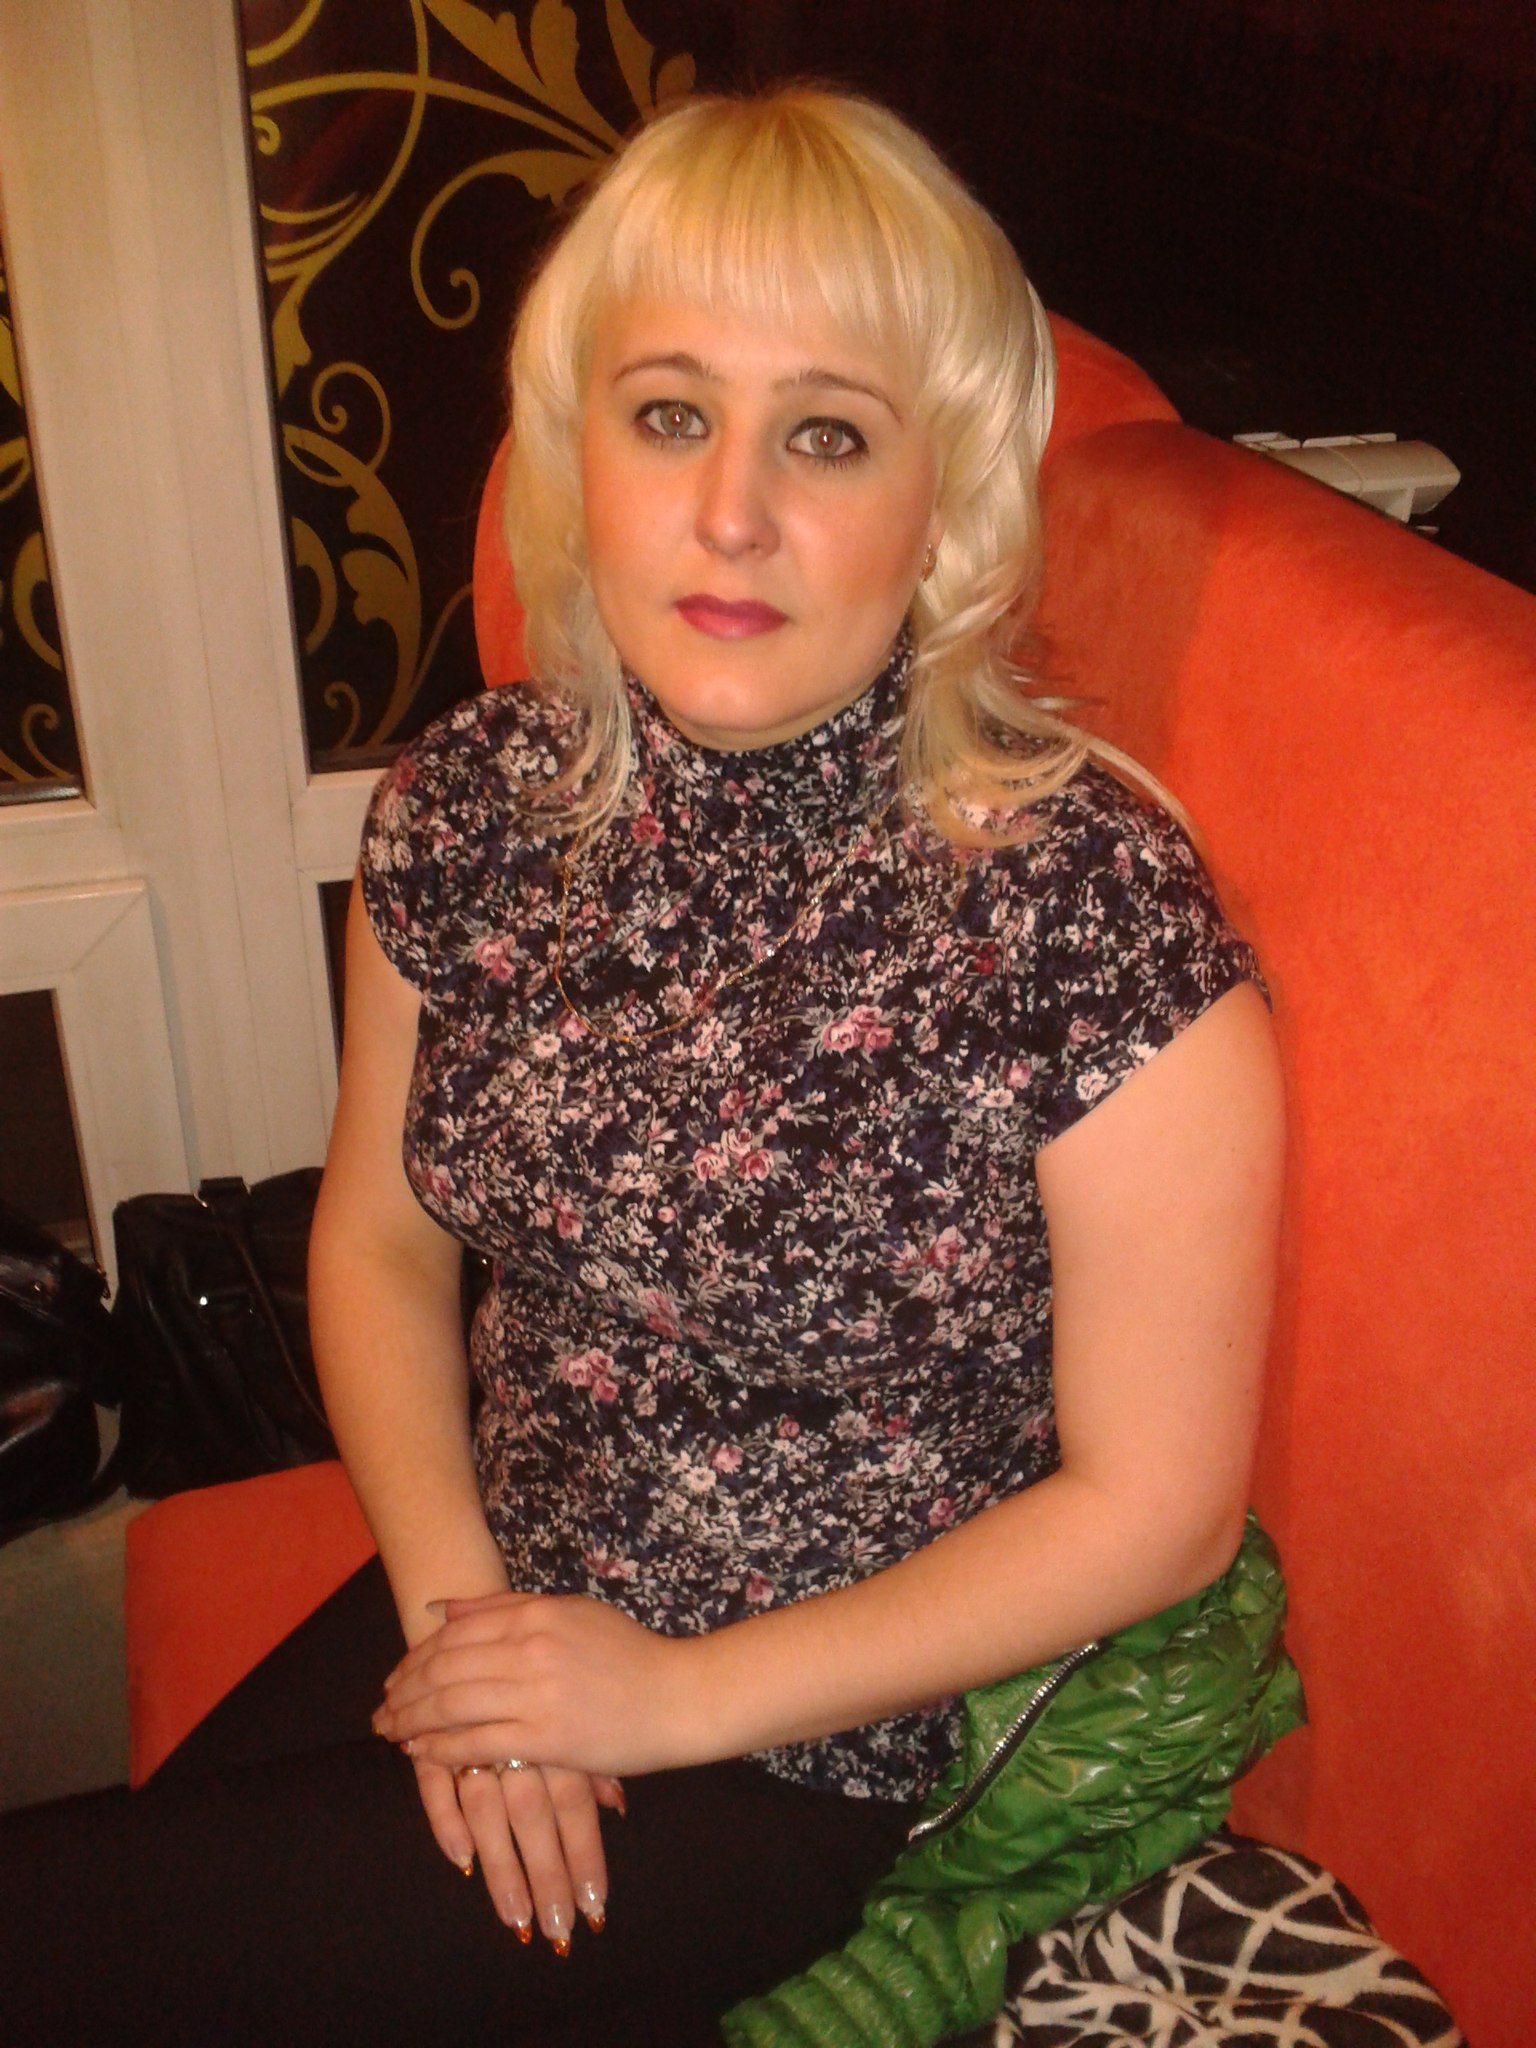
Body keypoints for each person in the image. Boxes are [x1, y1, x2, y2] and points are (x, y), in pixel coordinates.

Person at [0, 86, 1283, 2046]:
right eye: (671, 413)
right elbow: (381, 1245)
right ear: (574, 450)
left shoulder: (1082, 908)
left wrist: (665, 1698)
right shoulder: (471, 806)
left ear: (942, 499)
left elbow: (1157, 1505)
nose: (732, 512)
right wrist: (470, 1635)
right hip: (497, 1593)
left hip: (809, 1734)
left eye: (827, 434)